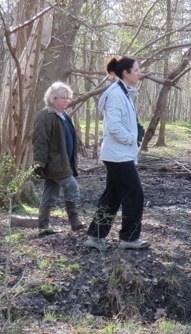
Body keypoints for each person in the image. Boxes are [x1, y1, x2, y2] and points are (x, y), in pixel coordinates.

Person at [84, 56, 149, 252]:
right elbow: (113, 127)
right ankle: (129, 237)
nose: (139, 73)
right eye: (136, 70)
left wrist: (134, 133)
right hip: (117, 154)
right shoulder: (116, 94)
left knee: (112, 196)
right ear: (125, 73)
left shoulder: (124, 92)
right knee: (135, 194)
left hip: (120, 153)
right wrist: (132, 137)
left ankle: (95, 236)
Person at [32, 82, 84, 235]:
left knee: (50, 193)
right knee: (71, 186)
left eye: (67, 98)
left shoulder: (64, 116)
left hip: (65, 162)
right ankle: (74, 221)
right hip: (55, 163)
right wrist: (39, 163)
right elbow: (40, 140)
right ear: (52, 98)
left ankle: (43, 226)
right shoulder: (45, 115)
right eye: (62, 98)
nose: (66, 101)